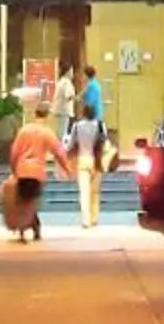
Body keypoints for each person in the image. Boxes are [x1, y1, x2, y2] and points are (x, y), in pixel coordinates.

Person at [7, 101, 66, 242]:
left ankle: (23, 230)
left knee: (22, 200)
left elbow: (15, 152)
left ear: (35, 114)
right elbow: (59, 152)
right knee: (32, 201)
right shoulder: (47, 132)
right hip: (37, 171)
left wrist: (13, 168)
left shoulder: (24, 130)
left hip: (22, 169)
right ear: (48, 115)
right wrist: (67, 168)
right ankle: (35, 229)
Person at [66, 99, 106, 228]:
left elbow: (70, 145)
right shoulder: (100, 125)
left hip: (83, 159)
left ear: (83, 113)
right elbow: (105, 142)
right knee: (95, 192)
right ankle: (95, 218)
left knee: (84, 191)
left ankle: (86, 220)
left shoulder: (77, 126)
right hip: (97, 160)